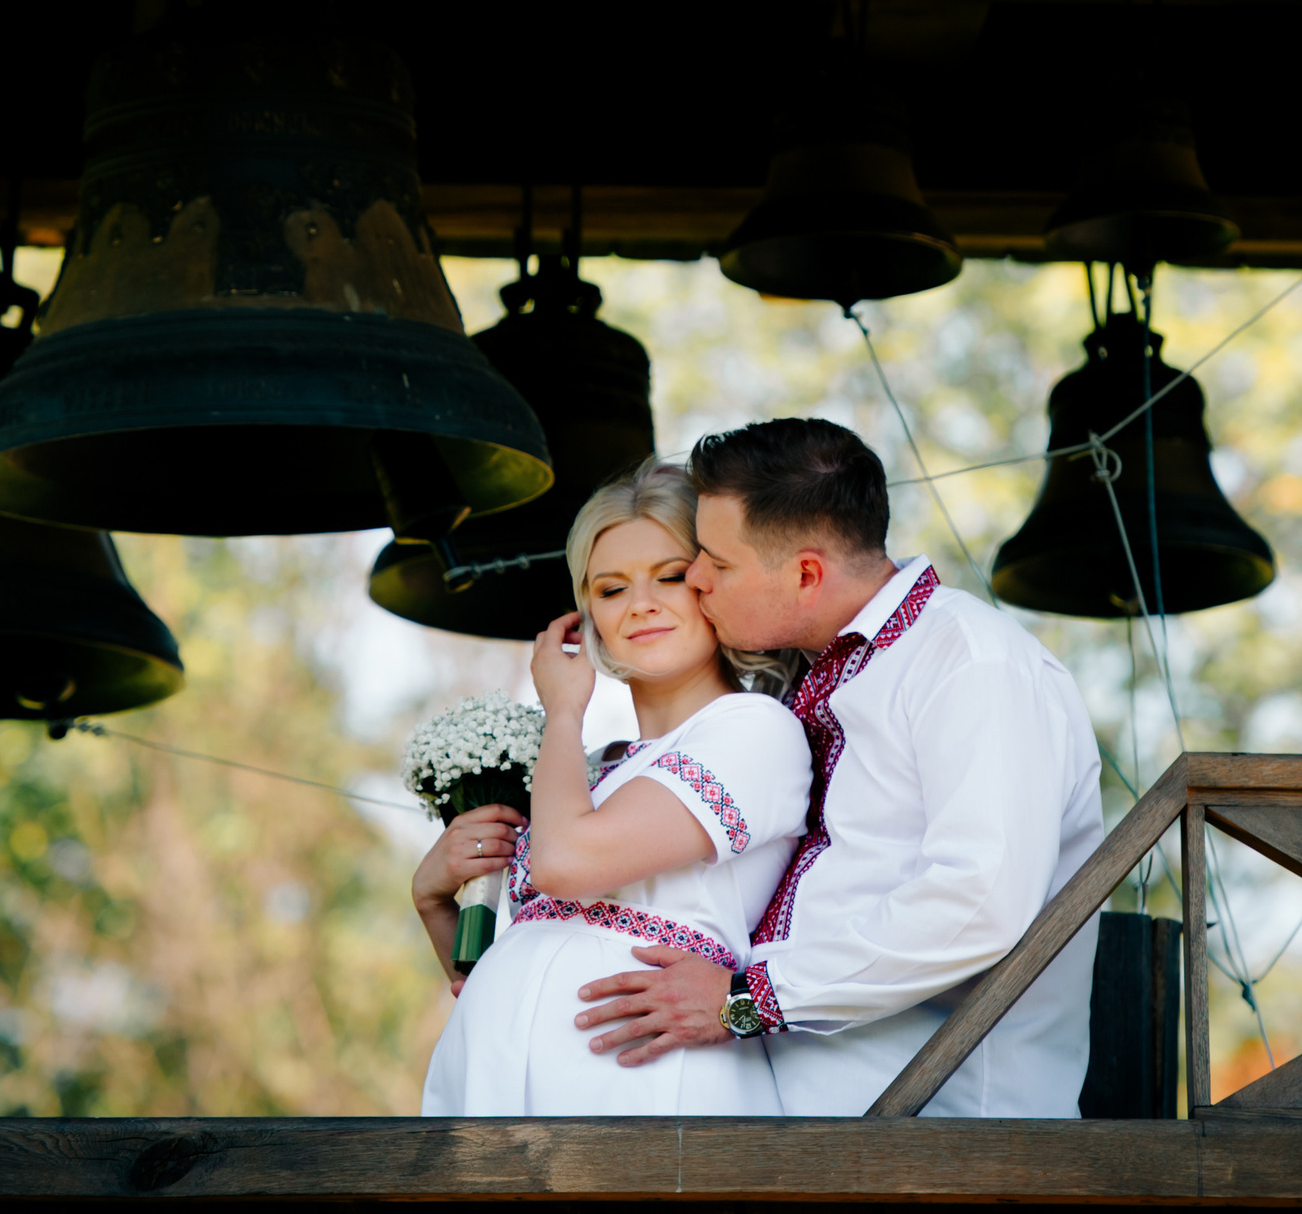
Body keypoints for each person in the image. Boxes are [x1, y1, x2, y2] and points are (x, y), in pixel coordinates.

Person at [570, 418, 1108, 1117]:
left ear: (805, 573)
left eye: (717, 563)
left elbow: (976, 904)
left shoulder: (970, 662)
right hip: (803, 1119)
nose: (696, 580)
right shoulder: (819, 678)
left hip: (941, 1140)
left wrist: (742, 1000)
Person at [416, 458, 809, 1116]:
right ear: (587, 611)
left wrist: (562, 711)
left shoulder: (754, 731)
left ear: (712, 582)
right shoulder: (591, 768)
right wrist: (433, 901)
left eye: (670, 577)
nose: (641, 605)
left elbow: (566, 865)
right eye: (611, 588)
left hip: (644, 1089)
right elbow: (492, 968)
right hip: (491, 1087)